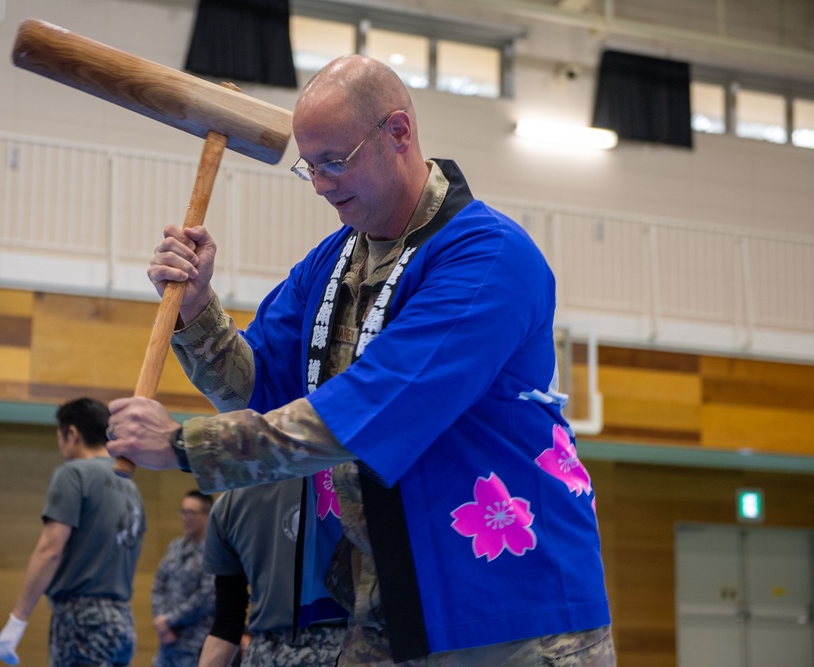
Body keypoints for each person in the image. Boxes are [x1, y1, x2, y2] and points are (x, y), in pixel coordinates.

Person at [106, 54, 614, 666]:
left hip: (514, 612)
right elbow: (260, 391)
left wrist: (186, 446)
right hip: (384, 605)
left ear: (399, 132)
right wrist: (198, 308)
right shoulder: (332, 262)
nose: (320, 184)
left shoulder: (488, 257)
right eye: (308, 166)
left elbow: (374, 406)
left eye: (334, 162)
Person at [0, 397, 146, 667]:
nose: (61, 448)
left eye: (60, 438)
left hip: (83, 620)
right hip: (123, 620)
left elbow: (50, 550)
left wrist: (18, 618)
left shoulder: (74, 473)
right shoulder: (131, 488)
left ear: (72, 434)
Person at [198, 478, 347, 667]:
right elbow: (227, 621)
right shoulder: (230, 506)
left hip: (338, 647)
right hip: (277, 650)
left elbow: (227, 622)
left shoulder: (229, 505)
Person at [150, 490, 215, 667]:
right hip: (167, 643)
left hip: (195, 645)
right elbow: (158, 586)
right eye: (183, 512)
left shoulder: (213, 552)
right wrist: (161, 623)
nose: (186, 517)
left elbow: (207, 597)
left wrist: (169, 620)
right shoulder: (175, 547)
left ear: (207, 515)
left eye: (191, 513)